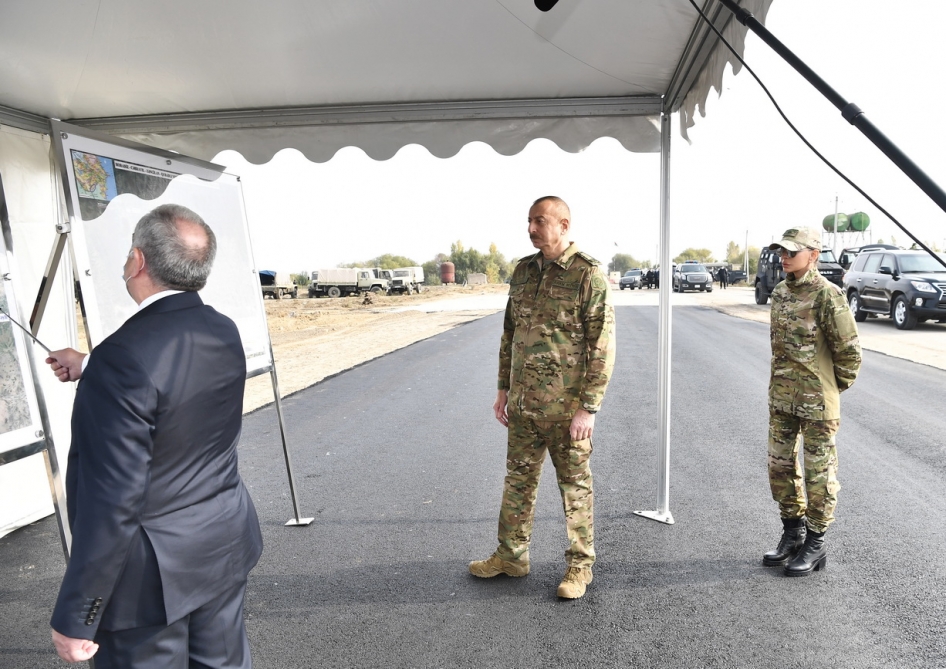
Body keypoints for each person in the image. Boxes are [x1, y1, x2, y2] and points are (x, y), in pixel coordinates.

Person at [46, 204, 263, 667]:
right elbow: (174, 384)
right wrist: (90, 365)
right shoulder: (222, 329)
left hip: (150, 580)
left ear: (138, 261)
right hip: (222, 542)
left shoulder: (123, 356)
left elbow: (112, 499)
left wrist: (78, 615)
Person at [468, 196, 616, 599]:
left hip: (566, 410)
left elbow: (602, 346)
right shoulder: (523, 271)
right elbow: (510, 334)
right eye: (529, 221)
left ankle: (579, 566)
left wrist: (588, 408)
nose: (532, 229)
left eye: (540, 221)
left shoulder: (588, 275)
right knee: (518, 481)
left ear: (563, 225)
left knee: (575, 487)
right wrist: (502, 390)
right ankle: (511, 556)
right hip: (523, 406)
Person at [763, 226, 861, 577]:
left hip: (817, 401)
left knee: (819, 473)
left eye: (791, 251)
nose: (784, 257)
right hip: (782, 397)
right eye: (781, 251)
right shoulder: (780, 292)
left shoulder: (828, 295)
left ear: (814, 255)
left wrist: (830, 389)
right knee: (779, 467)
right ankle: (793, 533)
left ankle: (816, 542)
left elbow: (849, 352)